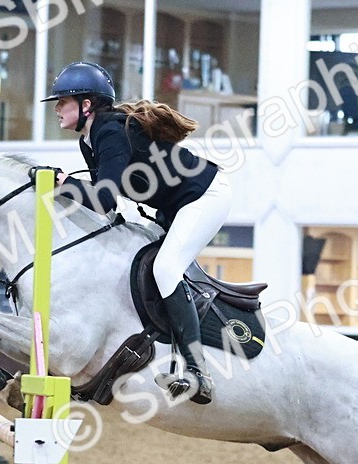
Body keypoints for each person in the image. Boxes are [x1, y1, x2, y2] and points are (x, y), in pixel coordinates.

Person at [41, 61, 230, 405]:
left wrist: (64, 183)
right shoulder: (90, 141)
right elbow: (105, 206)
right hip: (174, 205)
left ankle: (198, 373)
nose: (57, 108)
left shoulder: (110, 132)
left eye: (63, 101)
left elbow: (102, 199)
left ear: (86, 105)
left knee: (166, 268)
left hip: (204, 196)